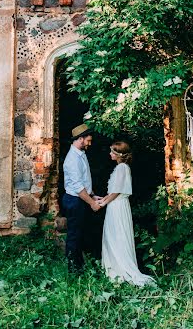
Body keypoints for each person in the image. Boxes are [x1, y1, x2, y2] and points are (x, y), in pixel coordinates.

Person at [99, 141, 156, 287]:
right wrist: (102, 199)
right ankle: (114, 268)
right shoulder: (121, 168)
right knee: (113, 236)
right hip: (116, 204)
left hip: (117, 206)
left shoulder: (121, 168)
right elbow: (113, 191)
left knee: (116, 236)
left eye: (112, 151)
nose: (109, 154)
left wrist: (103, 203)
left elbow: (117, 191)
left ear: (118, 154)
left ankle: (119, 270)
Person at [62, 123, 102, 271]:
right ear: (80, 139)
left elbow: (84, 181)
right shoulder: (72, 160)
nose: (89, 144)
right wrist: (92, 203)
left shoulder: (81, 154)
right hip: (74, 201)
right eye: (88, 141)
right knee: (74, 235)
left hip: (82, 199)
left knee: (82, 233)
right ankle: (72, 269)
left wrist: (92, 195)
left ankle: (80, 265)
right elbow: (78, 188)